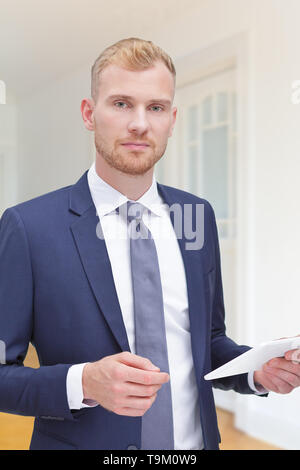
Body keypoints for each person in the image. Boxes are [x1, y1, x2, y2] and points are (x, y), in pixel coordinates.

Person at [0, 38, 299, 451]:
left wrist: (255, 371)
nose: (140, 123)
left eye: (155, 107)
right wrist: (82, 382)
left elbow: (205, 341)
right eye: (121, 103)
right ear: (89, 114)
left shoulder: (197, 216)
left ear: (171, 119)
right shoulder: (28, 228)